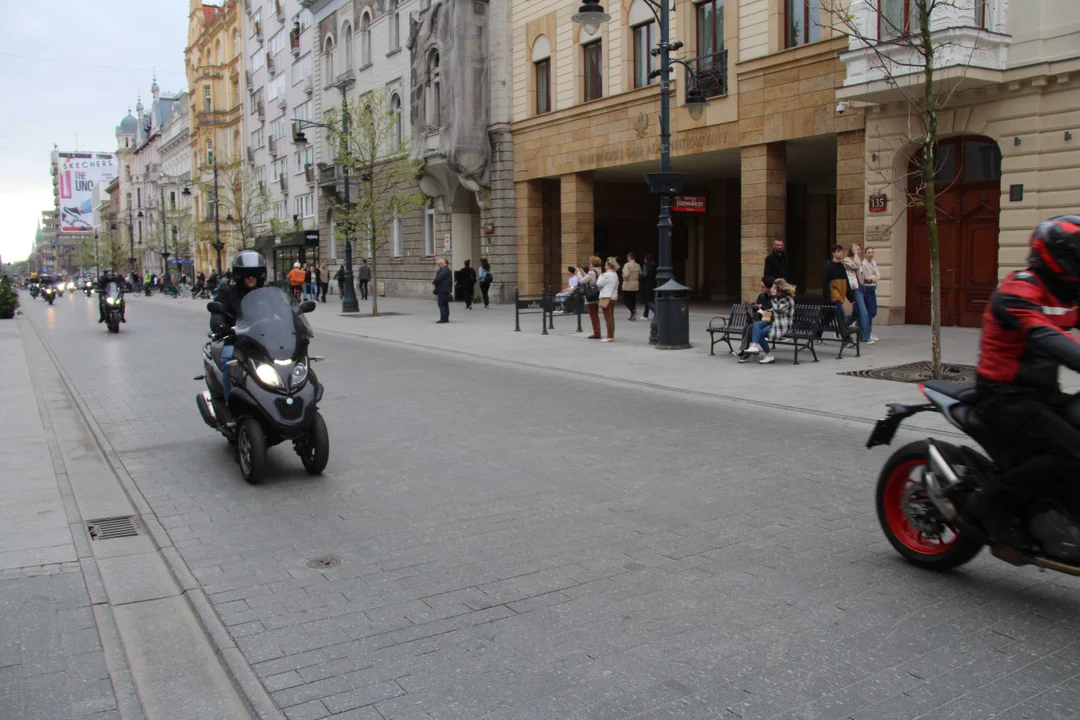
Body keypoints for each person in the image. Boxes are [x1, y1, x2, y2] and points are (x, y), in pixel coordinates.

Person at [969, 216, 1080, 548]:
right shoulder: (1018, 288)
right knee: (1074, 454)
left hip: (1044, 395)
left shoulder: (1070, 292)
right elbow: (1045, 336)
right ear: (1057, 256)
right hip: (1004, 397)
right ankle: (989, 503)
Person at [209, 251, 267, 418]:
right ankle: (230, 407)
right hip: (235, 340)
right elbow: (217, 312)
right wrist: (220, 326)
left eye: (254, 273)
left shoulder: (265, 293)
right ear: (239, 275)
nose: (251, 277)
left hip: (262, 340)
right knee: (229, 361)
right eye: (246, 274)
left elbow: (279, 311)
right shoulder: (226, 292)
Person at [738, 278, 796, 364]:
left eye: (774, 287)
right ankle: (755, 347)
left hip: (783, 324)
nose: (772, 289)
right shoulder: (778, 297)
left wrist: (773, 296)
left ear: (779, 289)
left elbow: (777, 309)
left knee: (760, 334)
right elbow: (772, 309)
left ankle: (767, 355)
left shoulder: (787, 298)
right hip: (775, 322)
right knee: (756, 325)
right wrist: (761, 308)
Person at [823, 244, 857, 348]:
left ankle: (816, 334)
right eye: (838, 251)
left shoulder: (841, 267)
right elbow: (825, 284)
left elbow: (845, 283)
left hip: (840, 296)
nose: (841, 253)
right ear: (833, 253)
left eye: (842, 251)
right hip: (834, 297)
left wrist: (851, 298)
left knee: (828, 318)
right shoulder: (828, 266)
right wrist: (828, 299)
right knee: (842, 317)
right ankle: (847, 339)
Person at [732, 276, 775, 358]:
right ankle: (744, 349)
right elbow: (756, 311)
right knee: (746, 328)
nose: (761, 288)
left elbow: (773, 311)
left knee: (751, 327)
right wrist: (756, 307)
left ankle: (743, 350)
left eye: (763, 287)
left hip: (769, 321)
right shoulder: (762, 296)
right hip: (761, 319)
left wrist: (763, 309)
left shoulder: (775, 298)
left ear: (770, 287)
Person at [844, 244, 873, 344]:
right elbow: (855, 267)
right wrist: (856, 255)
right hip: (854, 288)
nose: (859, 251)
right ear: (851, 250)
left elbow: (860, 275)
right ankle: (865, 337)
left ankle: (841, 325)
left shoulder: (858, 260)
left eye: (859, 249)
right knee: (864, 312)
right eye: (856, 249)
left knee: (856, 313)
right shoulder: (847, 260)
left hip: (861, 287)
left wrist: (868, 281)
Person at [597, 257, 620, 342]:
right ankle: (611, 334)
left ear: (609, 266)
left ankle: (609, 336)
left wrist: (600, 276)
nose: (605, 266)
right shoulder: (615, 274)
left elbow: (598, 284)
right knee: (611, 316)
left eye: (606, 265)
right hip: (613, 297)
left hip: (606, 297)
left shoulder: (606, 275)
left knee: (608, 318)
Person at [579, 256, 603, 339]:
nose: (589, 264)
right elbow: (591, 279)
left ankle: (596, 333)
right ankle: (597, 331)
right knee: (596, 314)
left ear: (593, 264)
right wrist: (584, 274)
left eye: (590, 263)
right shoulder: (599, 271)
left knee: (593, 316)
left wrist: (579, 274)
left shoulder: (592, 272)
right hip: (597, 294)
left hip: (591, 296)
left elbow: (582, 281)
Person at [861, 247, 880, 342]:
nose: (870, 254)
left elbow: (878, 275)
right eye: (868, 252)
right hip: (867, 288)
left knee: (873, 311)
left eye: (872, 252)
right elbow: (864, 278)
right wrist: (872, 277)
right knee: (869, 311)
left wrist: (874, 277)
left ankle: (867, 330)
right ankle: (868, 332)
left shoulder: (874, 263)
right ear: (865, 254)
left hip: (873, 287)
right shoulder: (863, 264)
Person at [622, 252, 641, 321]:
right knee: (633, 300)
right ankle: (633, 316)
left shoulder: (627, 265)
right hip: (635, 284)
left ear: (629, 257)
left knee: (625, 300)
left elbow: (626, 275)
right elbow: (640, 274)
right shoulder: (638, 265)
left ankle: (633, 311)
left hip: (628, 284)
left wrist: (623, 276)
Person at [432, 258, 452, 323]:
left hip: (443, 289)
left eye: (439, 264)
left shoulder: (445, 270)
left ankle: (443, 318)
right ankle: (445, 317)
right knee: (444, 303)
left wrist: (433, 281)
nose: (438, 266)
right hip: (444, 289)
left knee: (441, 303)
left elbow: (440, 278)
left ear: (442, 264)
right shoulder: (445, 269)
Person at [641, 253, 658, 319]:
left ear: (646, 259)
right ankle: (645, 314)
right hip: (654, 284)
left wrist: (640, 274)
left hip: (647, 284)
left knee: (646, 301)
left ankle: (655, 311)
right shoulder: (655, 265)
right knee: (651, 299)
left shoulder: (646, 265)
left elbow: (644, 274)